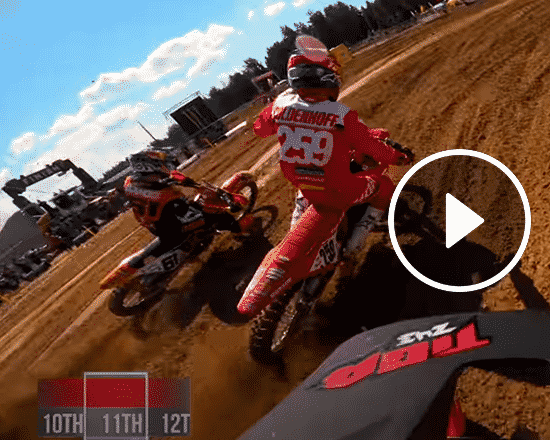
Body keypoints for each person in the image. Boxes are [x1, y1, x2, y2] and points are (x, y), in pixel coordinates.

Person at [236, 37, 410, 318]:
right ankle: (353, 249)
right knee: (384, 185)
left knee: (300, 224)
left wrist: (275, 109)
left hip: (304, 187)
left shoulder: (281, 104)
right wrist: (398, 158)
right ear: (327, 78)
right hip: (340, 190)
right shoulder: (340, 115)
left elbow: (260, 129)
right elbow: (371, 147)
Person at [99, 150, 256, 289]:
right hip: (171, 227)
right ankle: (239, 230)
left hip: (156, 223)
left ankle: (197, 245)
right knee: (212, 215)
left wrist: (185, 181)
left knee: (193, 210)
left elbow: (169, 178)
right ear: (147, 165)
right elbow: (175, 201)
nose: (162, 165)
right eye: (157, 163)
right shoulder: (155, 190)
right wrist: (184, 188)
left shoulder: (133, 180)